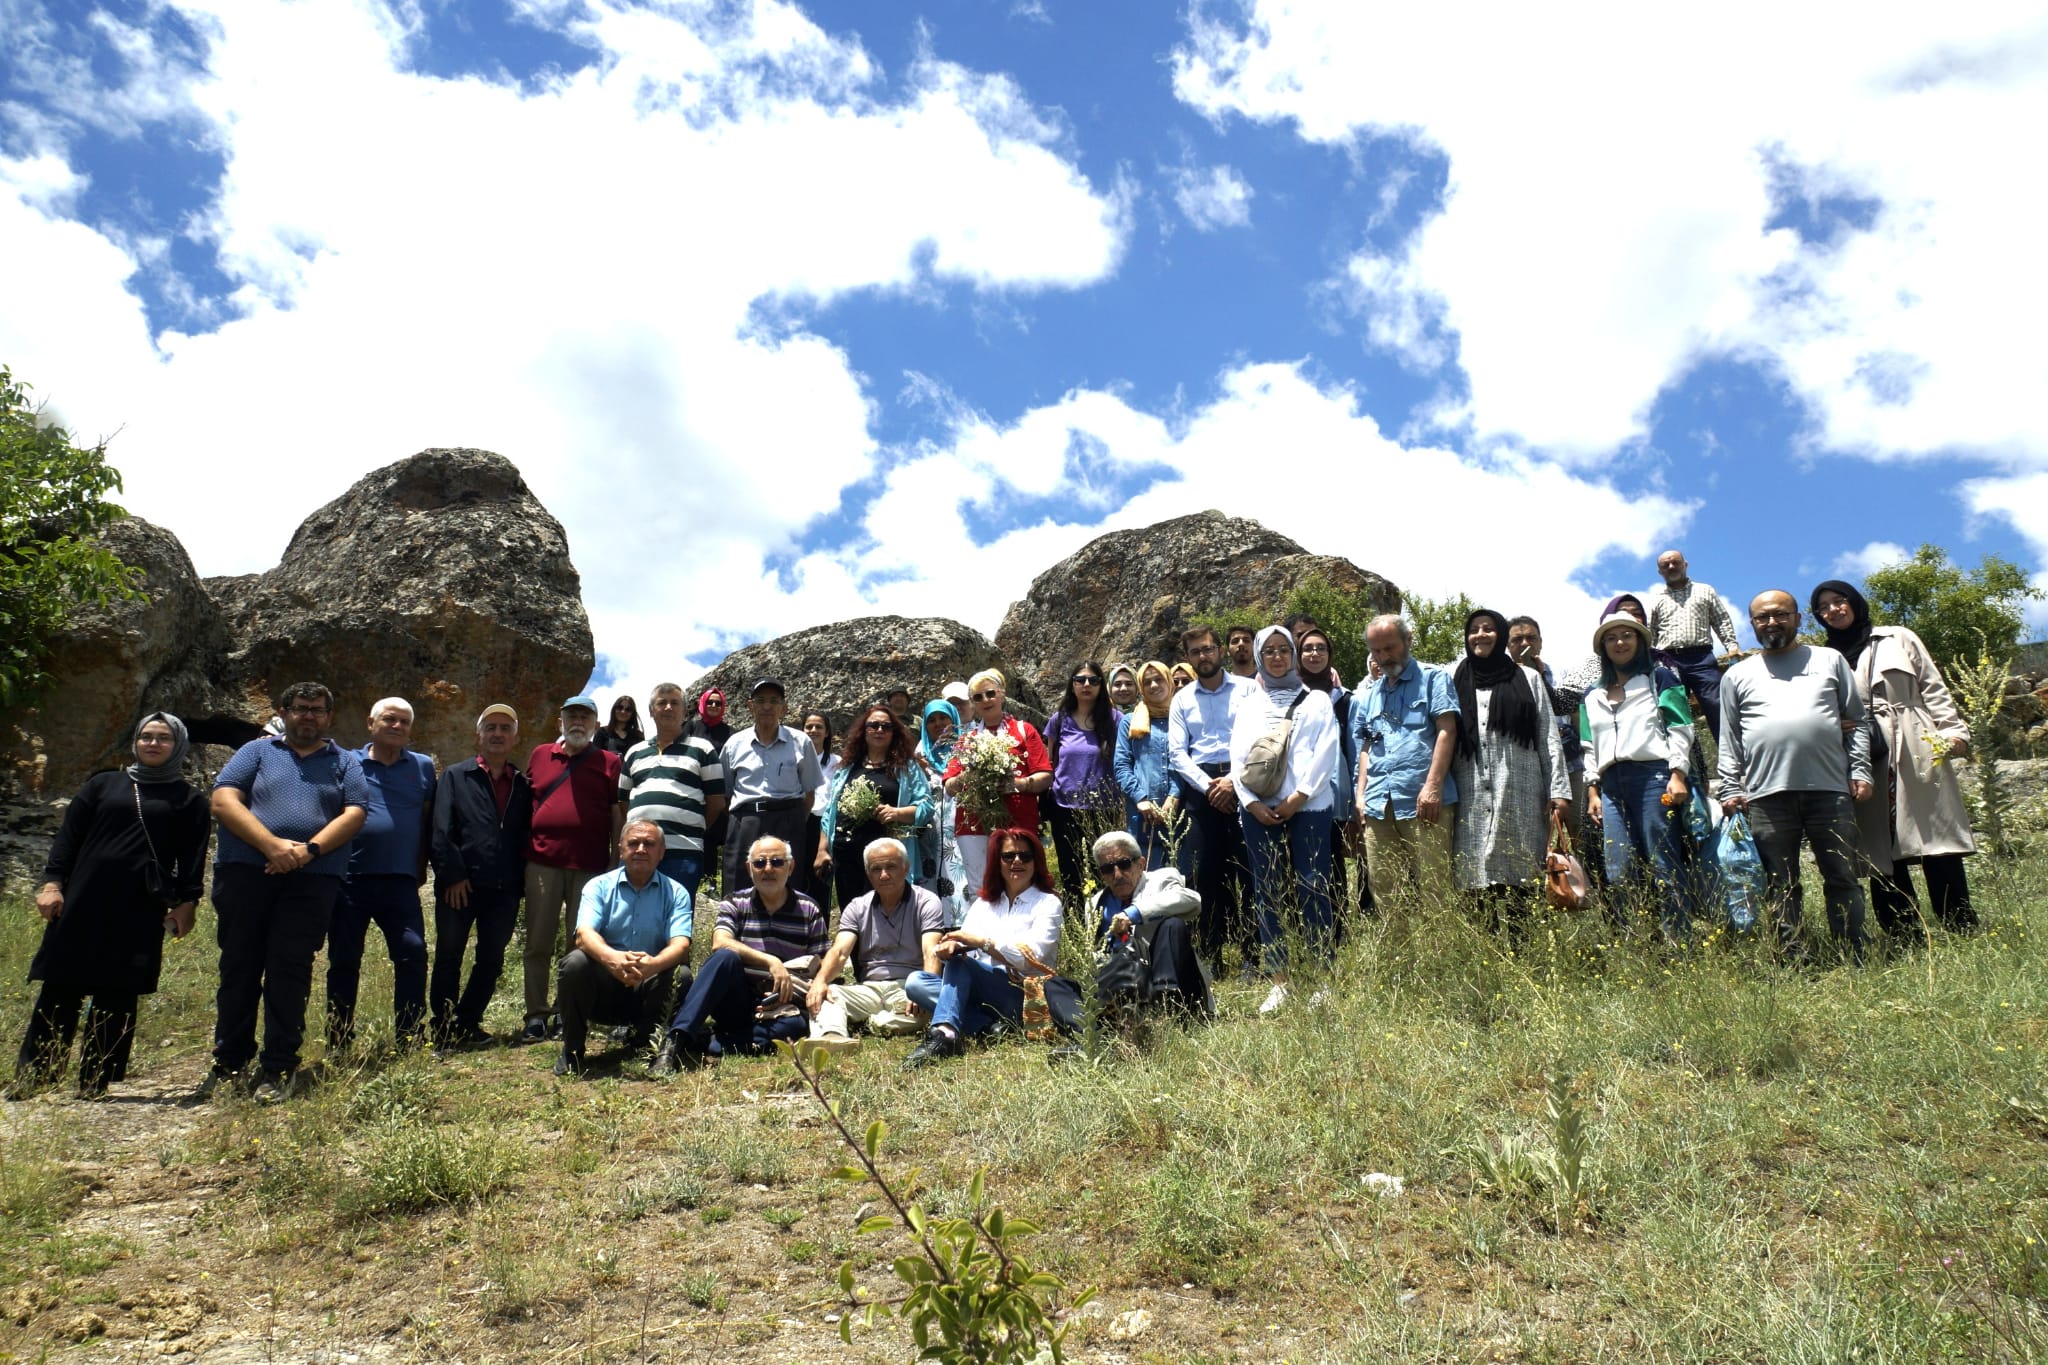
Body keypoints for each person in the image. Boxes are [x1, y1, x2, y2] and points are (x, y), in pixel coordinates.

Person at [8, 714, 208, 1101]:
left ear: (178, 745)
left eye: (163, 738)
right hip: (82, 898)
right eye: (145, 736)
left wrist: (188, 903)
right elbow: (68, 839)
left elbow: (192, 858)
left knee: (118, 991)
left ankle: (96, 1080)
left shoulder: (188, 800)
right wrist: (52, 885)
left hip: (139, 906)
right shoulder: (103, 784)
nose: (152, 744)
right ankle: (36, 1077)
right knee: (60, 985)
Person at [204, 683, 369, 1102]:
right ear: (285, 711)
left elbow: (355, 813)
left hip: (313, 878)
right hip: (247, 872)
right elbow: (223, 800)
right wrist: (272, 846)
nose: (308, 716)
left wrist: (308, 851)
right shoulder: (256, 752)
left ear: (329, 717)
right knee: (239, 967)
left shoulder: (345, 761)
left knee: (289, 970)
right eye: (300, 709)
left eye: (317, 710)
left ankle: (278, 1067)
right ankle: (229, 1063)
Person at [1810, 580, 1977, 938]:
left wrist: (1953, 731)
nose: (1833, 610)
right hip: (1861, 751)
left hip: (1916, 739)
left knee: (1936, 834)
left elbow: (1932, 685)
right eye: (1823, 608)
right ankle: (1903, 932)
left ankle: (1960, 924)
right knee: (1877, 844)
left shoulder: (1896, 637)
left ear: (1854, 602)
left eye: (1839, 601)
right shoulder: (1825, 659)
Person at [1718, 590, 1873, 963]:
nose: (1772, 622)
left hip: (1830, 788)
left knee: (1841, 877)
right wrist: (1730, 787)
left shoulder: (1830, 660)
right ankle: (1792, 959)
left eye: (1780, 614)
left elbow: (1858, 721)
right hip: (1765, 796)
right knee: (1778, 884)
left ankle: (1853, 954)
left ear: (1798, 618)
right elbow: (1729, 738)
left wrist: (1861, 770)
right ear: (1752, 624)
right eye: (1762, 618)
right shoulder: (1737, 675)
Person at [1229, 626, 1339, 1014]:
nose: (1277, 657)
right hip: (1259, 809)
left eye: (1283, 650)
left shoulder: (1317, 701)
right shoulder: (1249, 705)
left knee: (1313, 886)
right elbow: (1238, 758)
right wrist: (1251, 802)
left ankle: (1322, 978)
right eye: (1270, 651)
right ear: (1260, 658)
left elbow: (1326, 751)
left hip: (1308, 807)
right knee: (1268, 892)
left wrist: (1298, 796)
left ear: (1293, 654)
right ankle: (1279, 980)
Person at [653, 836, 827, 1071]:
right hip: (737, 1000)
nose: (768, 869)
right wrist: (771, 962)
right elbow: (720, 942)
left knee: (796, 1026)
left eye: (777, 862)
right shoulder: (735, 902)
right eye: (760, 863)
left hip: (781, 1007)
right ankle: (675, 1041)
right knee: (725, 957)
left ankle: (713, 1042)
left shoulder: (809, 909)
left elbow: (821, 965)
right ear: (749, 868)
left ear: (791, 866)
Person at [1450, 609, 1570, 933]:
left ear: (1500, 635)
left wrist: (1558, 790)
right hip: (1470, 792)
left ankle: (1524, 960)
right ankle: (1485, 962)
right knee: (1474, 884)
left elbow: (1547, 734)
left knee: (1521, 881)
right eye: (1474, 629)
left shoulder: (1528, 678)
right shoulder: (1453, 679)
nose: (1481, 635)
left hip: (1520, 791)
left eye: (1489, 629)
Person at [903, 828, 1064, 1067]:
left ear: (1036, 862)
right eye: (1008, 856)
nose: (1017, 861)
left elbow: (1033, 957)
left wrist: (983, 943)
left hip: (1021, 992)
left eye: (1025, 856)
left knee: (962, 966)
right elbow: (963, 941)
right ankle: (986, 1027)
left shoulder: (1047, 902)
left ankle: (944, 1034)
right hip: (979, 989)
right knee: (916, 982)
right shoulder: (984, 904)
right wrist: (949, 947)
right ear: (997, 862)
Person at [1578, 614, 1695, 940]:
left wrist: (1678, 773)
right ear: (1603, 647)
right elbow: (1589, 746)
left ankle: (1680, 945)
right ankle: (1639, 947)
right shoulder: (1591, 695)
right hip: (1611, 785)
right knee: (1619, 870)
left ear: (1639, 641)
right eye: (1611, 638)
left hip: (1654, 777)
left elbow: (1681, 728)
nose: (1619, 642)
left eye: (1627, 635)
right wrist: (1592, 791)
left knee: (1664, 864)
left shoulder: (1659, 679)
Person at [327, 697, 434, 1052]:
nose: (397, 726)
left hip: (400, 880)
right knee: (344, 960)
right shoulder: (346, 762)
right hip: (350, 879)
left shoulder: (421, 767)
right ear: (370, 722)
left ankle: (409, 1035)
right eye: (389, 719)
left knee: (413, 953)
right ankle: (339, 1040)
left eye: (404, 722)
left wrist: (420, 868)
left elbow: (425, 819)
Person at [520, 695, 624, 1044]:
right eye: (571, 716)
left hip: (590, 866)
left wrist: (614, 859)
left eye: (585, 716)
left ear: (596, 724)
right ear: (560, 721)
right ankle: (536, 1015)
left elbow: (615, 814)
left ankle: (568, 1011)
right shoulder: (539, 755)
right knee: (538, 941)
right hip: (542, 862)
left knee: (579, 944)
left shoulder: (609, 762)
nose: (578, 721)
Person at [553, 821, 693, 1077]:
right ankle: (572, 1050)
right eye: (633, 843)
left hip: (647, 986)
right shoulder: (598, 886)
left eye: (649, 844)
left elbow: (681, 945)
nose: (641, 849)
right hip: (603, 986)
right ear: (620, 849)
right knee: (574, 963)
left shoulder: (676, 892)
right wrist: (612, 959)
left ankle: (643, 1037)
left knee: (680, 974)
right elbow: (584, 935)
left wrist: (653, 965)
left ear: (662, 851)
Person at [429, 703, 533, 1049]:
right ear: (479, 735)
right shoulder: (457, 775)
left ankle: (467, 1023)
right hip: (460, 886)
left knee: (491, 960)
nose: (498, 733)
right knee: (449, 955)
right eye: (491, 727)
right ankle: (442, 1030)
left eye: (505, 728)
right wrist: (452, 876)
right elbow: (441, 829)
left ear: (515, 737)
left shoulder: (522, 783)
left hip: (503, 888)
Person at [1351, 615, 1460, 914]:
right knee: (1385, 888)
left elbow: (1446, 730)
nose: (1384, 657)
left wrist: (1433, 787)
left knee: (1435, 887)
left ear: (1408, 640)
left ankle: (1440, 959)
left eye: (1390, 648)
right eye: (1377, 651)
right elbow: (1366, 747)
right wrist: (1360, 795)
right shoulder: (1370, 694)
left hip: (1424, 801)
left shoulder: (1434, 678)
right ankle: (1398, 958)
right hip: (1377, 804)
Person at [803, 838, 947, 1054]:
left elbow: (931, 951)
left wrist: (923, 990)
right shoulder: (857, 906)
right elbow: (840, 952)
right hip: (869, 987)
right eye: (876, 869)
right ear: (868, 874)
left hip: (908, 988)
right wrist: (819, 982)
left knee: (926, 1009)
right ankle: (831, 1037)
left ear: (906, 868)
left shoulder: (926, 901)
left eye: (891, 867)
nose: (884, 875)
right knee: (829, 993)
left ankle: (873, 1023)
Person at [1168, 625, 1255, 974]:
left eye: (1208, 649)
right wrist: (1211, 787)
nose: (1203, 656)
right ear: (1188, 659)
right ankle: (1211, 957)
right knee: (1204, 875)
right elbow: (1177, 753)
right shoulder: (1182, 699)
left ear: (1220, 651)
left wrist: (1232, 781)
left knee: (1249, 872)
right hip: (1202, 791)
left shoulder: (1249, 690)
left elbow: (1259, 740)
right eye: (1195, 652)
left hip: (1245, 783)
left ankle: (1253, 955)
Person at [941, 669, 1051, 895]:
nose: (985, 700)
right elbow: (949, 785)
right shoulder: (966, 740)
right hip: (974, 823)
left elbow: (1045, 776)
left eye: (990, 693)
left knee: (1023, 883)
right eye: (978, 697)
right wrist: (969, 777)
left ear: (1002, 695)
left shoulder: (1024, 730)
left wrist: (1017, 784)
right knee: (981, 889)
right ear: (972, 704)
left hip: (1018, 818)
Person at [618, 682, 726, 904]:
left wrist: (691, 827)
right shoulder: (634, 752)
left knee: (676, 920)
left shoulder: (703, 749)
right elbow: (623, 801)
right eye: (661, 703)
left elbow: (716, 802)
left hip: (683, 852)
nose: (668, 707)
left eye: (674, 703)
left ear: (685, 711)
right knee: (629, 917)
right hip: (637, 851)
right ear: (651, 711)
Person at [1087, 829, 1210, 1021]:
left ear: (1141, 863)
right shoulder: (1095, 904)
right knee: (1057, 985)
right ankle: (1088, 1029)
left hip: (1173, 980)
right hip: (1123, 983)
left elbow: (1191, 900)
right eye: (1108, 869)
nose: (1117, 874)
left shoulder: (1162, 879)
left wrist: (1133, 914)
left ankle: (1164, 1000)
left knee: (1172, 925)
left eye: (1124, 864)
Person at [816, 705, 932, 907]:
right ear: (864, 730)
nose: (879, 730)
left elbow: (926, 807)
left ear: (894, 733)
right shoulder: (847, 768)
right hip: (847, 856)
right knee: (853, 915)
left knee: (889, 912)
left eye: (886, 727)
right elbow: (830, 814)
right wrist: (822, 850)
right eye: (874, 725)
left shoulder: (907, 767)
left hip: (886, 860)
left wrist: (897, 813)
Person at [719, 679, 825, 896]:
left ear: (784, 708)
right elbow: (725, 793)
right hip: (744, 821)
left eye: (774, 701)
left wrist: (793, 818)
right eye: (761, 701)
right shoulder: (734, 744)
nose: (767, 707)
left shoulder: (801, 741)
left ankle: (787, 929)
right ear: (750, 706)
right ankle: (734, 928)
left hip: (788, 820)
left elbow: (809, 794)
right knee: (737, 882)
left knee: (788, 882)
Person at [1042, 661, 1121, 908]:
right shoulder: (1059, 720)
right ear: (1072, 684)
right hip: (1065, 807)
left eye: (1093, 680)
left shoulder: (1114, 719)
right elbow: (1050, 762)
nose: (1086, 684)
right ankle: (1077, 923)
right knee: (1070, 869)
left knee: (1106, 869)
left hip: (1105, 808)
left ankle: (1105, 924)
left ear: (1101, 685)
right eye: (1080, 679)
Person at [1646, 550, 1742, 742]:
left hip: (1702, 658)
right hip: (1669, 661)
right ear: (1660, 571)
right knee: (1674, 712)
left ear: (1685, 564)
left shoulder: (1705, 590)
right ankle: (1686, 769)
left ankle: (1733, 763)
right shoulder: (1656, 599)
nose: (1671, 567)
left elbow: (1721, 619)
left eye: (1675, 562)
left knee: (1717, 706)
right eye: (1666, 565)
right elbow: (1650, 633)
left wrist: (1731, 645)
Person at [1113, 662, 1178, 870]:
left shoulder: (1180, 718)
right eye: (1147, 681)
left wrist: (1175, 795)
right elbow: (1122, 765)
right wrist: (1140, 798)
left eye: (1158, 679)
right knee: (1145, 874)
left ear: (1169, 682)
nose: (1153, 685)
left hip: (1179, 808)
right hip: (1141, 812)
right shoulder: (1130, 721)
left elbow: (1184, 761)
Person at [914, 697, 967, 915]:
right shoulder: (918, 755)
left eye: (943, 718)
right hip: (929, 835)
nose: (938, 724)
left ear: (953, 720)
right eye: (932, 720)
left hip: (962, 831)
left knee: (963, 880)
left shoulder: (968, 750)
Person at [683, 687, 735, 888]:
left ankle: (710, 882)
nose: (714, 705)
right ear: (702, 703)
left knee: (712, 837)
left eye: (718, 703)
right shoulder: (691, 727)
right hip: (694, 790)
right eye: (710, 702)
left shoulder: (730, 733)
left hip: (718, 792)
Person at [798, 710, 840, 906]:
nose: (813, 730)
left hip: (824, 825)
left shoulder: (837, 763)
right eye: (809, 727)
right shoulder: (794, 759)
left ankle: (820, 928)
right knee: (796, 877)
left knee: (821, 878)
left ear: (827, 732)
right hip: (799, 822)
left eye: (818, 727)